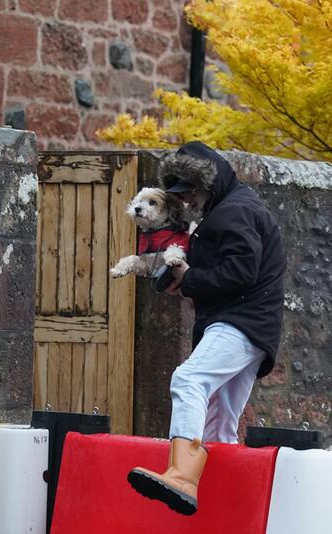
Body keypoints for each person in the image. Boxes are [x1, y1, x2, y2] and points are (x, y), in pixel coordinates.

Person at [127, 141, 286, 515]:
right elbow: (237, 270)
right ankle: (222, 507)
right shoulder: (234, 208)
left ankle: (182, 476)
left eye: (191, 191)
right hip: (253, 325)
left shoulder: (233, 212)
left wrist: (190, 279)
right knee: (219, 424)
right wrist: (187, 280)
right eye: (181, 194)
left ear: (208, 183)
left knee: (188, 381)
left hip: (240, 322)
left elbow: (242, 271)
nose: (186, 200)